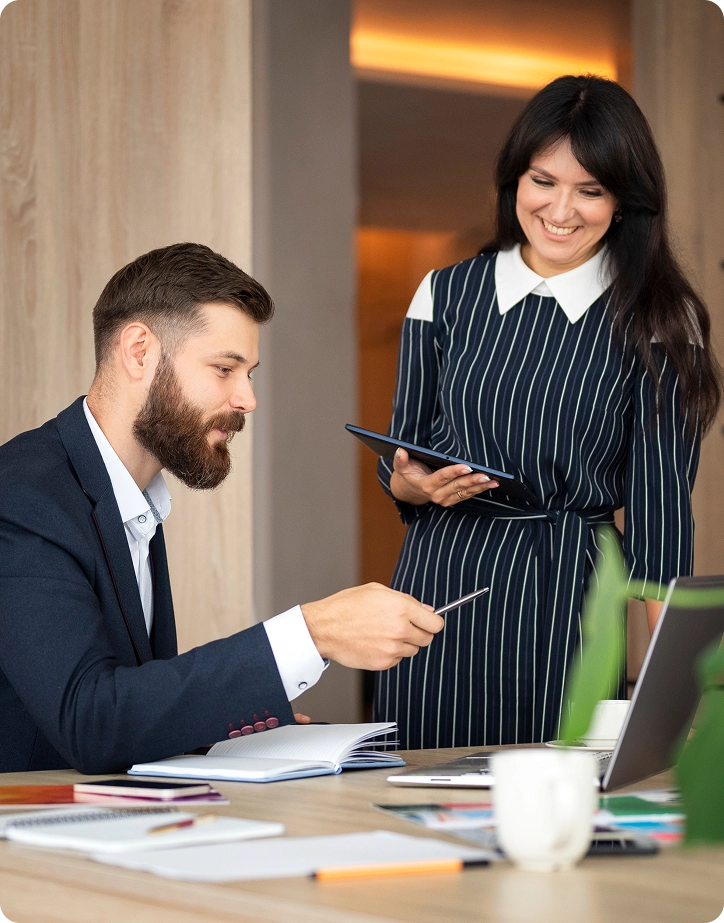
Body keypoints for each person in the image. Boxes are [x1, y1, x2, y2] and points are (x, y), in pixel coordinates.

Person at [373, 75, 722, 750]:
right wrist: (409, 482)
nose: (562, 208)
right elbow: (403, 452)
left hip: (572, 593)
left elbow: (660, 523)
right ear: (514, 182)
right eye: (543, 181)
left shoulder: (657, 318)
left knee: (554, 803)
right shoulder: (446, 293)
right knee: (422, 789)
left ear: (624, 202)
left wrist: (674, 699)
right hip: (439, 584)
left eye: (591, 189)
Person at [0, 243, 444, 774]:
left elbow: (129, 712)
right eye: (225, 369)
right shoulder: (22, 497)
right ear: (139, 351)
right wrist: (312, 632)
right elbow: (91, 722)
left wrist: (227, 731)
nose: (247, 399)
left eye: (249, 373)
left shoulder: (129, 498)